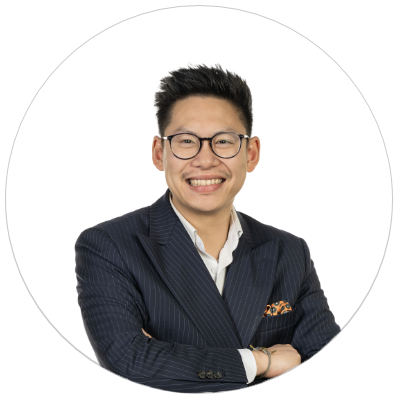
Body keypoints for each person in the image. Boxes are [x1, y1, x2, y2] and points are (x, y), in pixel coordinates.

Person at [75, 65, 340, 393]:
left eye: (224, 141)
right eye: (186, 141)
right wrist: (261, 361)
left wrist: (170, 360)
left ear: (251, 154)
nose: (205, 160)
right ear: (159, 153)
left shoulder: (289, 252)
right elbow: (128, 361)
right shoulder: (110, 246)